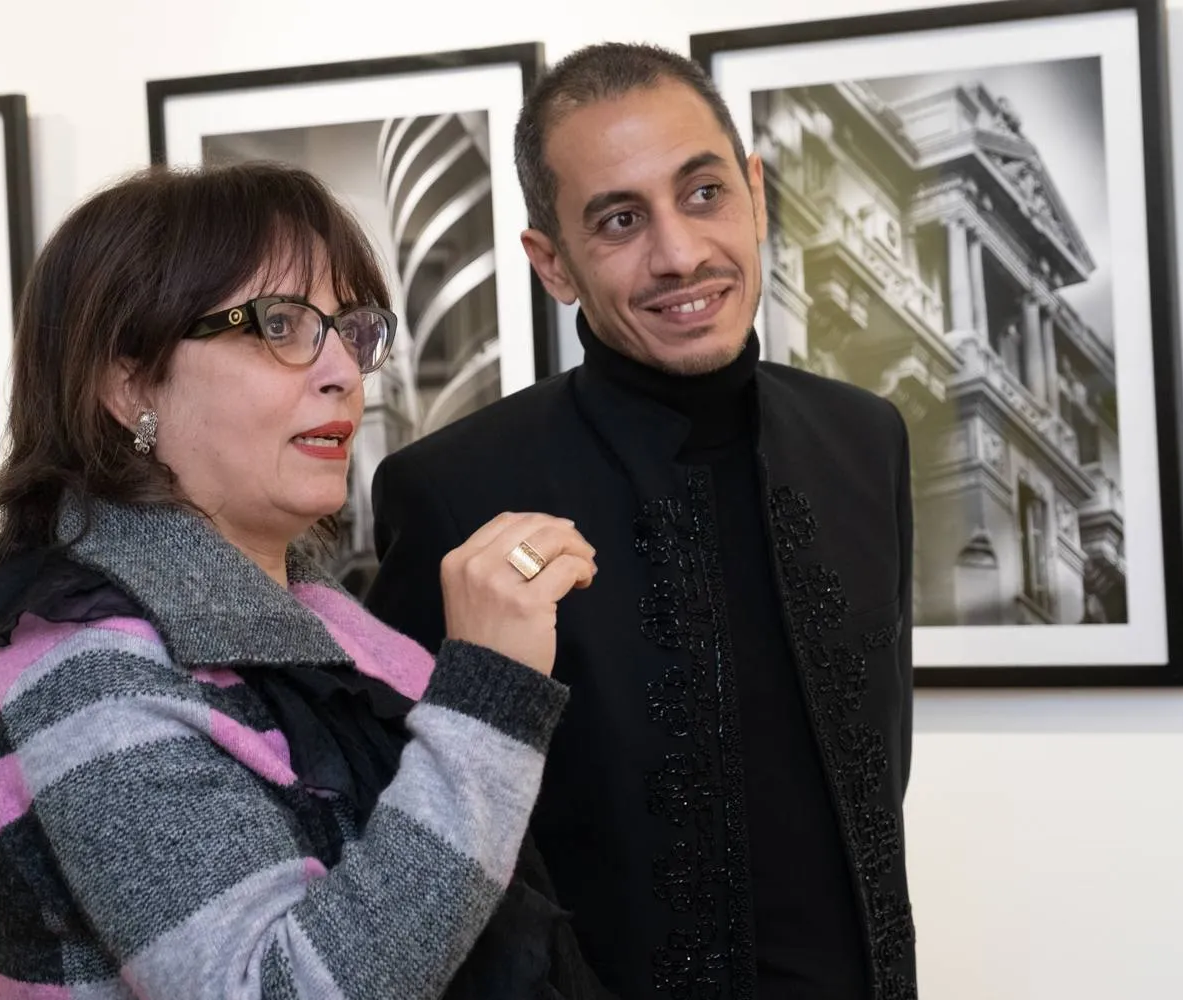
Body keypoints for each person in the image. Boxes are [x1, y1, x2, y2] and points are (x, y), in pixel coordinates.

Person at [0, 162, 614, 1000]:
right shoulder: (89, 675)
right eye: (280, 325)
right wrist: (489, 696)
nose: (344, 373)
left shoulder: (318, 617)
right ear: (128, 382)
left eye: (350, 329)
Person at [365, 43, 917, 1000]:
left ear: (754, 194)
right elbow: (429, 871)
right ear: (553, 263)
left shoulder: (866, 440)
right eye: (620, 220)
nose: (680, 254)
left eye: (703, 194)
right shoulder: (453, 492)